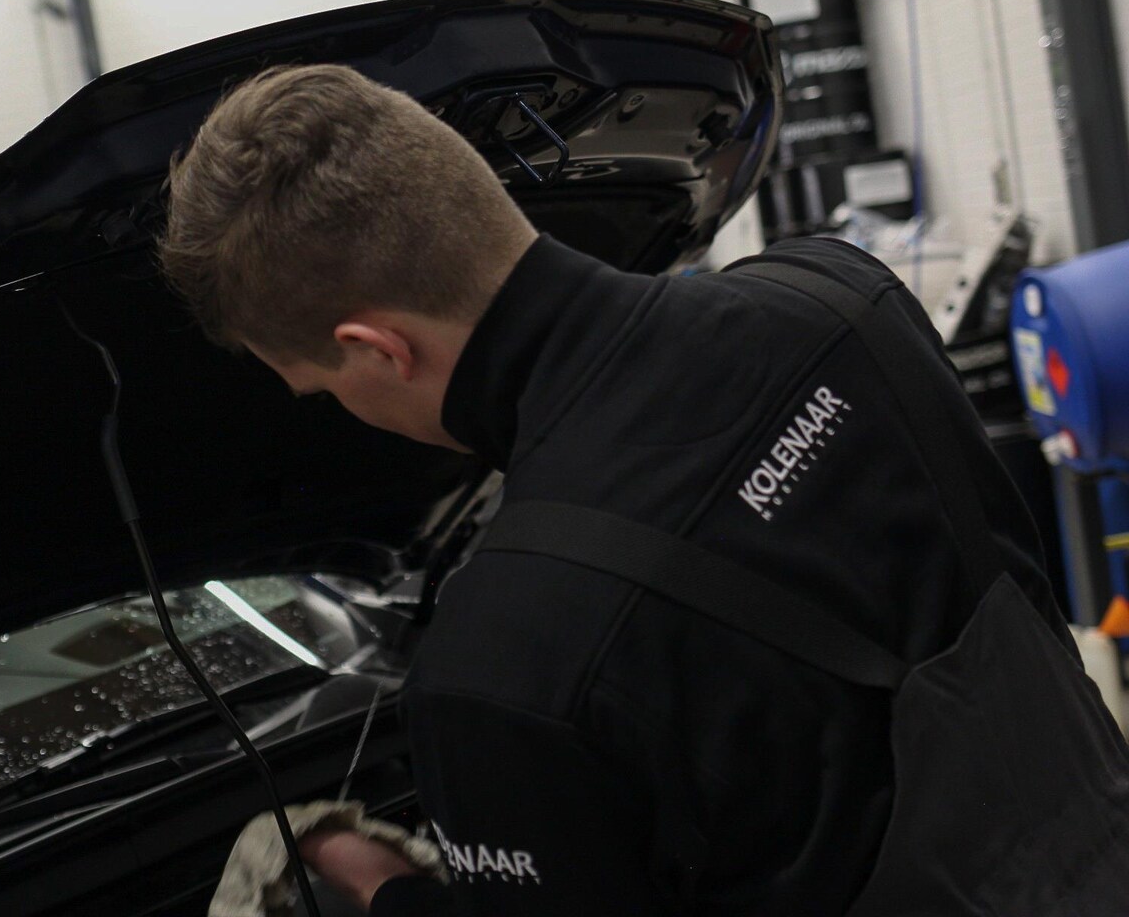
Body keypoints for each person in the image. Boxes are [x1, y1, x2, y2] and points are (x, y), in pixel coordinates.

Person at [159, 63, 1129, 916]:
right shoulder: (842, 296)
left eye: (323, 390)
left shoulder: (499, 671)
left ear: (377, 349)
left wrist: (382, 887)